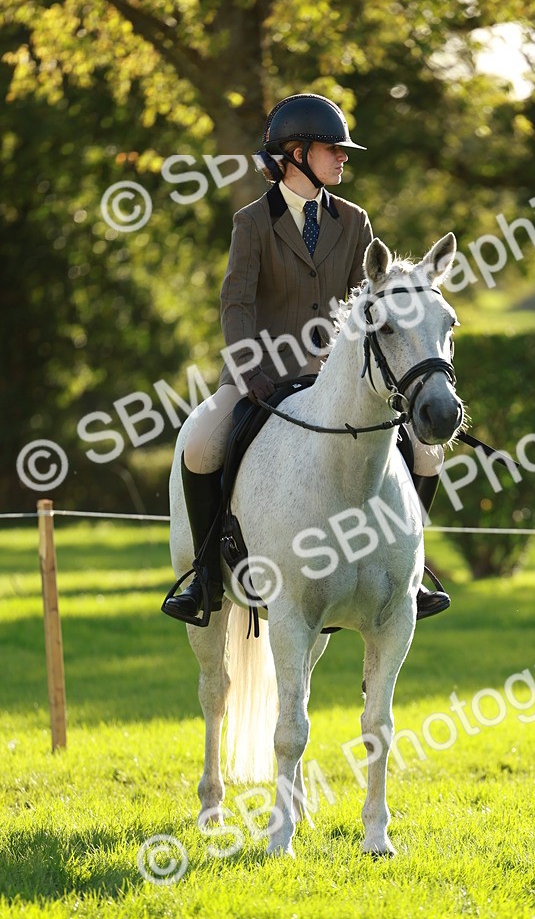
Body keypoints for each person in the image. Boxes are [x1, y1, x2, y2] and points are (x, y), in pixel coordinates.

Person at [163, 92, 449, 624]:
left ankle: (410, 571)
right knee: (200, 445)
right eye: (332, 149)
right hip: (260, 376)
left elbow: (366, 307)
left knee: (427, 455)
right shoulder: (252, 222)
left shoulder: (355, 220)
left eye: (343, 151)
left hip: (335, 380)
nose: (343, 158)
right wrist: (248, 369)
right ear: (297, 154)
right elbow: (236, 303)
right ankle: (204, 577)